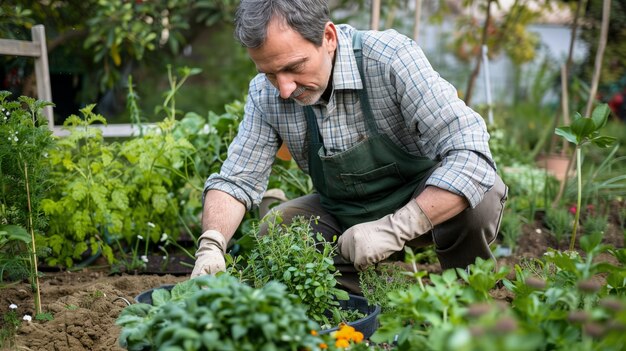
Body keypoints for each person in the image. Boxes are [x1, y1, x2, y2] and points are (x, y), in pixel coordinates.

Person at [191, 0, 508, 293]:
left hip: (426, 203)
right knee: (277, 230)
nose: (284, 89)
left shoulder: (389, 59)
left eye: (294, 67)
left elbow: (471, 154)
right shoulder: (265, 95)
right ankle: (357, 300)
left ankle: (470, 295)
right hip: (344, 213)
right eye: (271, 74)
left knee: (482, 194)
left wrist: (393, 229)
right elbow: (237, 179)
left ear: (328, 38)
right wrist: (212, 243)